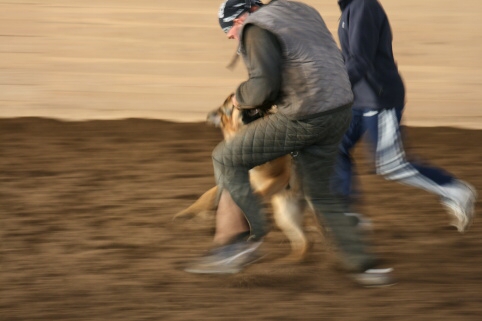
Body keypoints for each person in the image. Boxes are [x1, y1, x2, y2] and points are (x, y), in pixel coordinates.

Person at [184, 0, 394, 287]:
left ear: (243, 16)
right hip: (342, 110)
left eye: (231, 29)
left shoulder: (256, 27)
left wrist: (238, 98)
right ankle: (366, 267)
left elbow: (264, 85)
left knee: (227, 157)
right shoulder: (302, 11)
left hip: (307, 114)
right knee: (320, 193)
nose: (232, 36)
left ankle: (237, 245)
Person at [332, 0, 477, 231]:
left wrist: (333, 89)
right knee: (332, 144)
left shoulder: (363, 6)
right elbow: (350, 59)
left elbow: (360, 60)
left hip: (379, 99)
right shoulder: (350, 10)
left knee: (391, 164)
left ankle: (454, 190)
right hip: (359, 98)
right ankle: (345, 213)